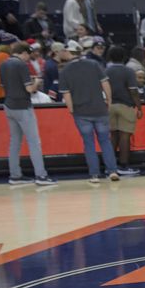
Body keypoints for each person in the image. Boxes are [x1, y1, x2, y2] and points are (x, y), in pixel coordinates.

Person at [60, 35, 131, 183]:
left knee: (89, 143)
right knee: (105, 140)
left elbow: (66, 94)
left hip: (81, 111)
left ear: (69, 52)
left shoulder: (65, 71)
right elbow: (105, 83)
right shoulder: (94, 64)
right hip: (99, 109)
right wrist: (109, 100)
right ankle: (112, 171)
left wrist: (72, 109)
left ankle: (94, 174)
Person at [0, 41, 55, 186]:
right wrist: (36, 82)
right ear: (23, 53)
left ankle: (15, 176)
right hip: (23, 106)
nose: (28, 59)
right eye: (27, 55)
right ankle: (41, 176)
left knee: (14, 142)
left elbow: (4, 85)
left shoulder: (3, 64)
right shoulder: (21, 65)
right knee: (34, 142)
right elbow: (30, 89)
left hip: (9, 105)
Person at [104, 45, 142, 169]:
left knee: (113, 135)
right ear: (124, 57)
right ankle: (124, 165)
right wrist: (139, 107)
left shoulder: (106, 71)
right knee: (125, 136)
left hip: (110, 105)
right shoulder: (129, 71)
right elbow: (133, 91)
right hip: (126, 105)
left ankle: (110, 165)